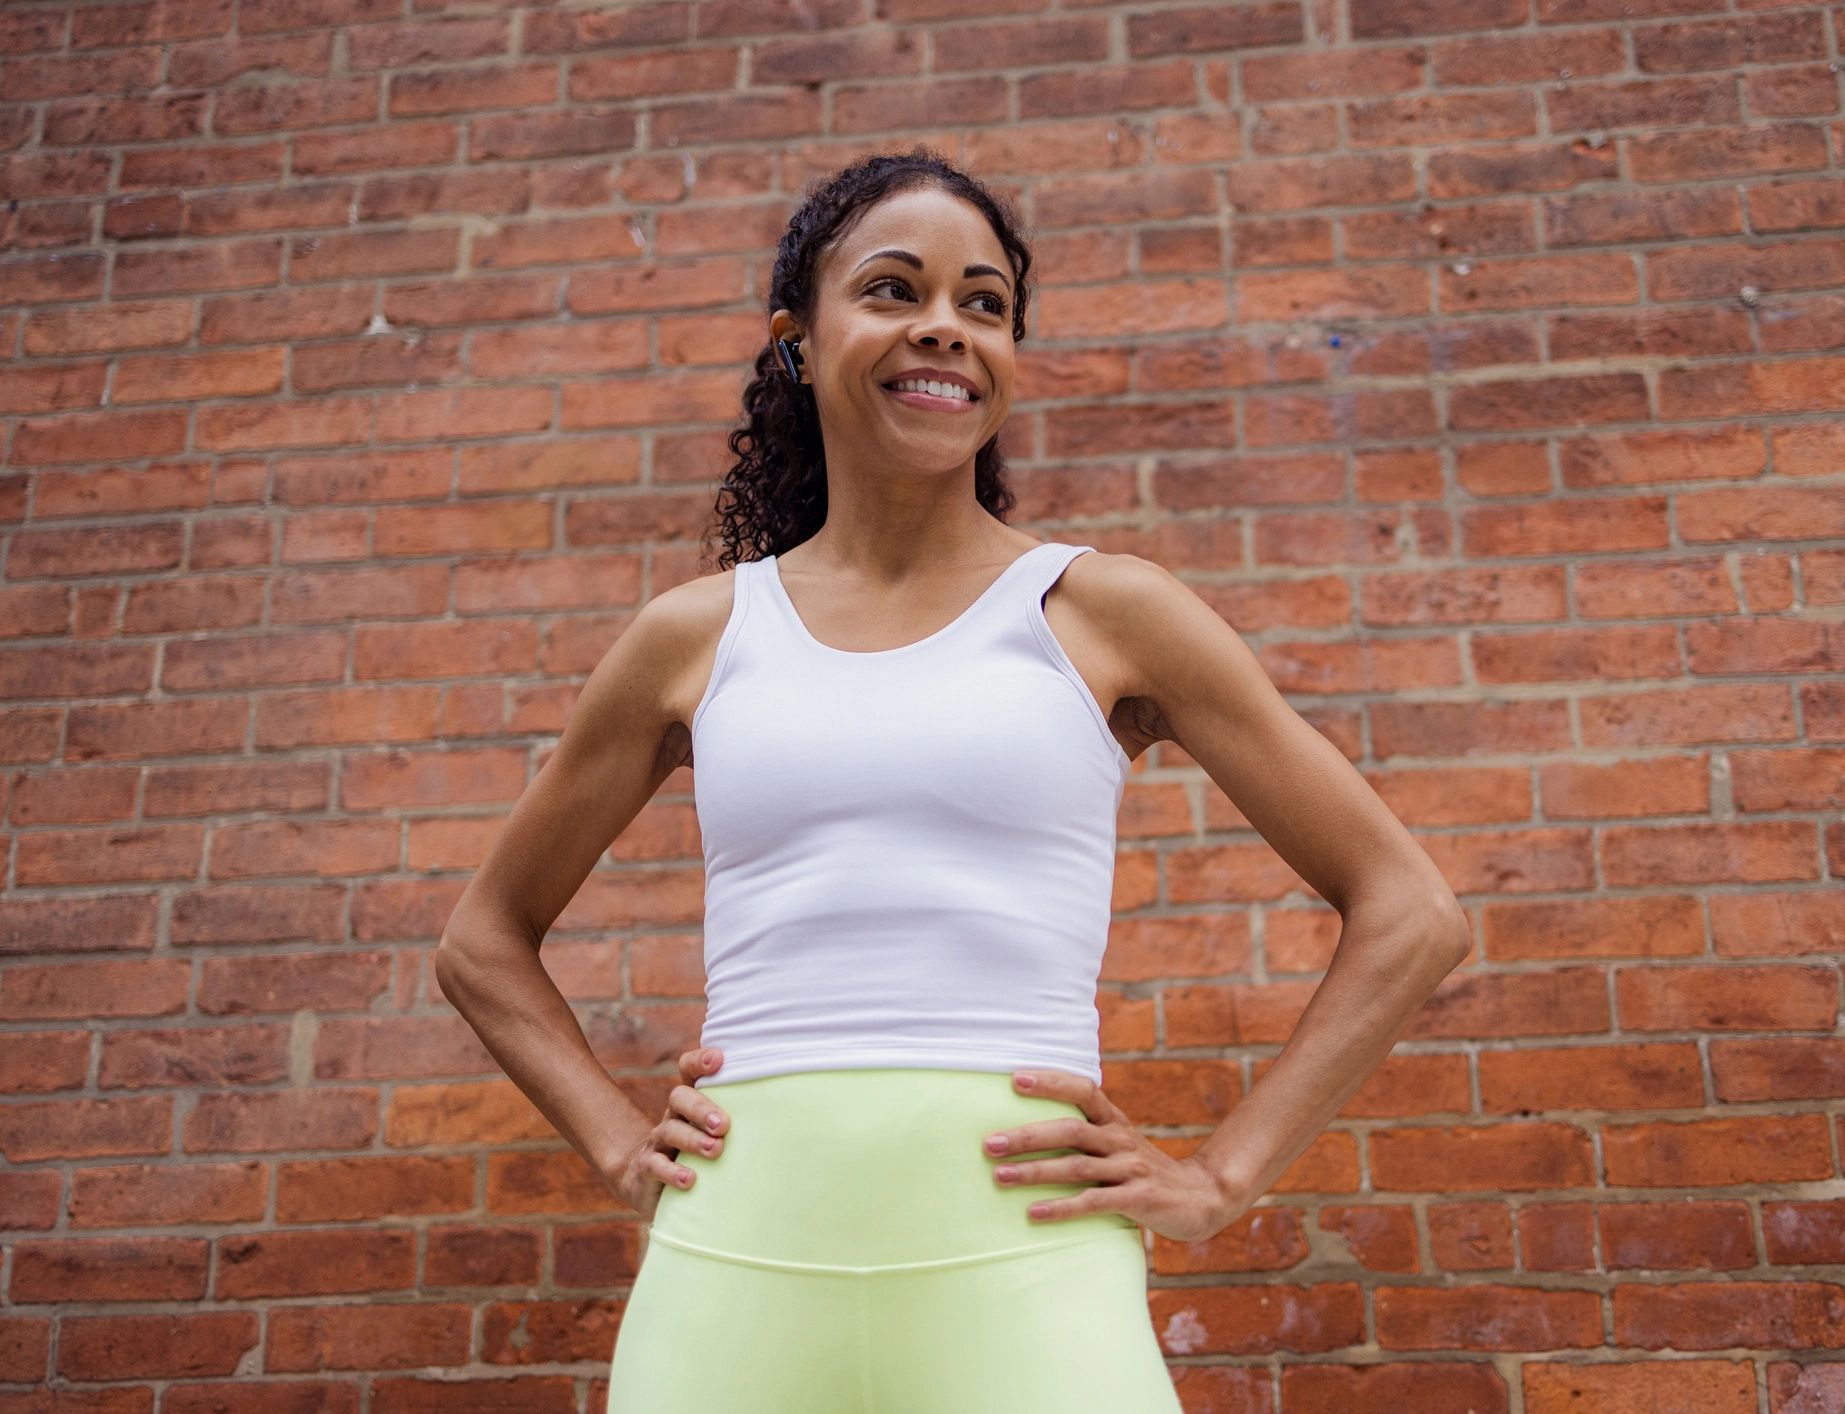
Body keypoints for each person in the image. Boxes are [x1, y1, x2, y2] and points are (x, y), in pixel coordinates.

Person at [436, 148, 1470, 1413]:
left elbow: (1409, 911)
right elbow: (482, 940)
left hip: (1025, 1264)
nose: (945, 327)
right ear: (796, 344)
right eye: (892, 289)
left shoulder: (1101, 612)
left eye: (984, 304)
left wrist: (1219, 1178)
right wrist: (612, 1141)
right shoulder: (695, 637)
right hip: (737, 1258)